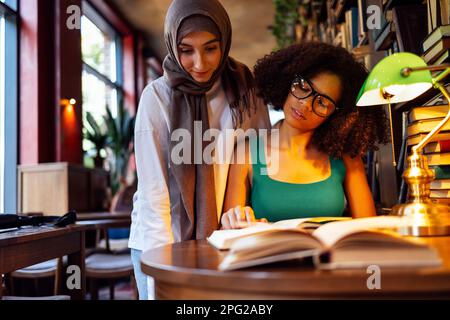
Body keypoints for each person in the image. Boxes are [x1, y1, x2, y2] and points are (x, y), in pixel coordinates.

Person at [128, 0, 270, 299]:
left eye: (210, 48)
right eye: (186, 50)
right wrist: (162, 277)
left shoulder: (244, 90)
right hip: (161, 237)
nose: (200, 63)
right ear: (172, 46)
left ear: (225, 42)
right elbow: (154, 198)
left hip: (223, 238)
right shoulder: (156, 98)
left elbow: (256, 164)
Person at [221, 42, 389, 229]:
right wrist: (234, 220)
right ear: (286, 81)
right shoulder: (247, 153)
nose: (306, 104)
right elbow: (229, 232)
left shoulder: (344, 156)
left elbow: (369, 230)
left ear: (337, 115)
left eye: (322, 102)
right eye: (303, 86)